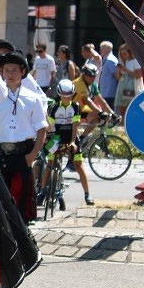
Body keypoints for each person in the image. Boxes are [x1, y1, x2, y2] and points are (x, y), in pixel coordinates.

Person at [0, 51, 49, 224]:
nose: (10, 74)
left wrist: (31, 156)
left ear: (23, 72)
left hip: (22, 155)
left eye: (14, 70)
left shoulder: (33, 99)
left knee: (20, 202)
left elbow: (42, 129)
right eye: (6, 70)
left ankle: (22, 240)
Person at [40, 78, 94, 209]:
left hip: (71, 136)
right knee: (49, 164)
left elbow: (75, 125)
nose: (66, 98)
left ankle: (87, 195)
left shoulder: (75, 107)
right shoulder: (54, 107)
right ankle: (42, 191)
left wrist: (72, 142)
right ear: (59, 94)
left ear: (72, 94)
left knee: (79, 166)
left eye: (69, 95)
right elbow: (50, 126)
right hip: (57, 137)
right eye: (63, 95)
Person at [113, 43, 143, 118]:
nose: (123, 56)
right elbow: (119, 77)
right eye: (121, 54)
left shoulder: (135, 61)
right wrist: (118, 69)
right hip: (122, 87)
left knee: (129, 107)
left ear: (130, 52)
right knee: (121, 107)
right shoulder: (125, 62)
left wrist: (126, 70)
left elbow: (139, 75)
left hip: (132, 88)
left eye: (124, 54)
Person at [98, 41, 119, 109]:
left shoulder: (111, 60)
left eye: (101, 49)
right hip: (104, 91)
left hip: (109, 92)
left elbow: (117, 75)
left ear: (106, 49)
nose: (100, 51)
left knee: (108, 110)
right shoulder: (106, 59)